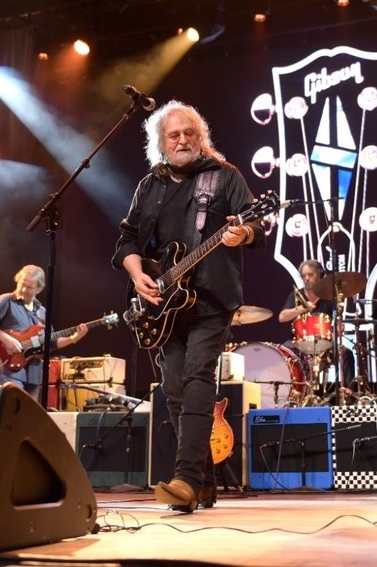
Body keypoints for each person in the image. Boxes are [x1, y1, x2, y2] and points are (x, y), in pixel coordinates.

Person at [113, 100, 264, 512]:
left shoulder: (224, 177)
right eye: (174, 135)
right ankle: (206, 484)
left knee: (198, 378)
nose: (182, 140)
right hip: (164, 303)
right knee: (175, 388)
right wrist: (135, 273)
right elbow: (127, 238)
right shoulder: (150, 185)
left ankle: (184, 479)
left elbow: (256, 222)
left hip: (212, 297)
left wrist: (242, 233)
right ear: (161, 143)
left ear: (202, 138)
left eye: (190, 133)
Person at [0, 265, 89, 401]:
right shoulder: (7, 300)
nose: (23, 290)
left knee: (29, 417)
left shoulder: (42, 312)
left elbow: (50, 342)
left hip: (34, 373)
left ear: (39, 289)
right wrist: (6, 339)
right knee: (13, 408)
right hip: (10, 368)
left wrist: (74, 338)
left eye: (29, 287)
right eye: (22, 284)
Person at [277, 259, 355, 400]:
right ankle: (288, 396)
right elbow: (282, 317)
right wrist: (301, 308)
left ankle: (348, 397)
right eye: (304, 275)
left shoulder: (329, 296)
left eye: (310, 274)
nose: (307, 278)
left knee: (346, 354)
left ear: (319, 274)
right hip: (298, 342)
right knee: (282, 352)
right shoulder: (297, 295)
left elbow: (336, 321)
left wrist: (338, 327)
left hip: (325, 343)